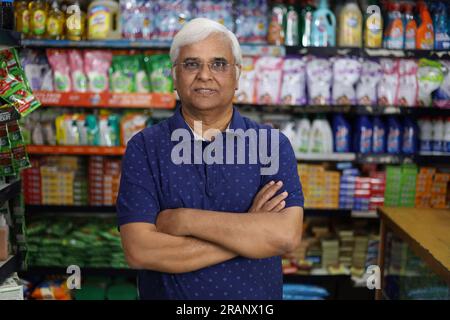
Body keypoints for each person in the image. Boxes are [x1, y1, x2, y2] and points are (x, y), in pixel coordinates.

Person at [117, 18, 304, 300]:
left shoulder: (271, 145)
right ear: (174, 76)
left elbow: (285, 237)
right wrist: (249, 231)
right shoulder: (144, 147)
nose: (205, 75)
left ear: (237, 75)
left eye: (218, 64)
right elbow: (140, 251)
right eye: (192, 64)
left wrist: (185, 220)